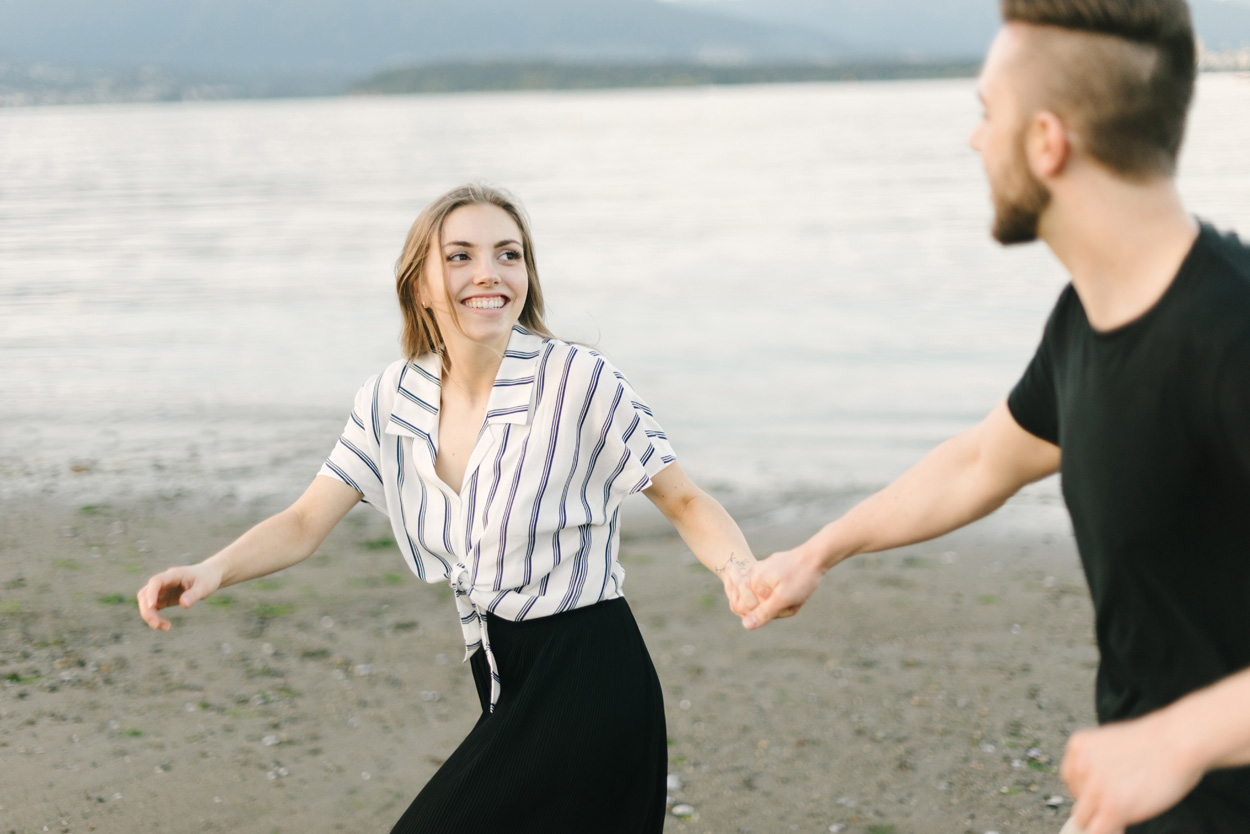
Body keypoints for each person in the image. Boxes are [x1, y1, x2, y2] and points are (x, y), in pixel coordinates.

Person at [739, 2, 1250, 833]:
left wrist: (1178, 740)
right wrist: (819, 552)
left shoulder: (1232, 331)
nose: (975, 141)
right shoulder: (1085, 319)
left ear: (1048, 141)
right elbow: (983, 460)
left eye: (987, 113)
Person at [137, 183, 758, 833]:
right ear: (420, 284)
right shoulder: (390, 399)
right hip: (499, 677)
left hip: (591, 677)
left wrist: (738, 570)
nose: (488, 273)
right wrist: (211, 571)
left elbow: (682, 498)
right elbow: (303, 521)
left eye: (508, 255)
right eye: (460, 256)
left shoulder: (577, 379)